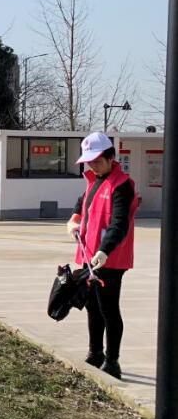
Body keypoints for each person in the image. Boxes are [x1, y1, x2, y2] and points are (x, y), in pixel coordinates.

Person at [65, 132, 139, 380]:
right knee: (92, 307)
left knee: (108, 308)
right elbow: (81, 205)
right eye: (89, 162)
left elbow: (119, 224)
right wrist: (73, 221)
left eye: (97, 161)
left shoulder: (122, 186)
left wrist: (105, 250)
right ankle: (95, 353)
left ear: (111, 157)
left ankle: (112, 360)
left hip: (111, 259)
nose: (93, 166)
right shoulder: (94, 181)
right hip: (89, 257)